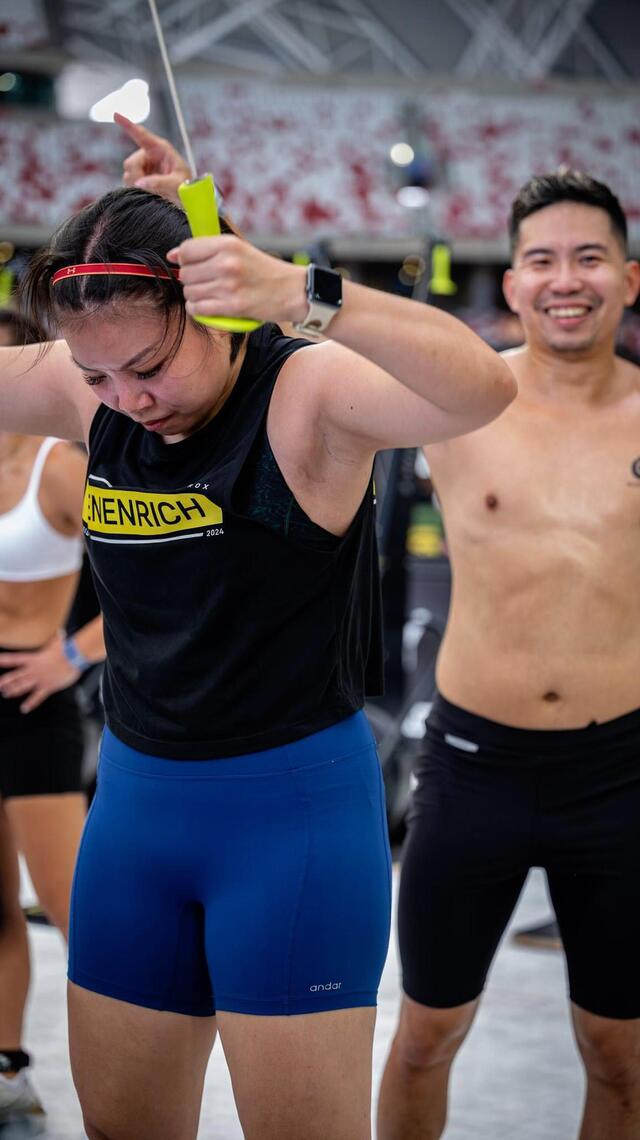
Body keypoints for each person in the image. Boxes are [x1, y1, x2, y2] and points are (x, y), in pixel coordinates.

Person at [0, 142, 515, 1138]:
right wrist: (105, 359)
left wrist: (294, 291)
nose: (126, 399)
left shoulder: (305, 395)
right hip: (135, 816)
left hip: (291, 827)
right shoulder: (90, 390)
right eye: (96, 375)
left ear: (219, 309)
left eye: (149, 367)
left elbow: (480, 390)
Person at [377, 170, 640, 1140]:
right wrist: (198, 223)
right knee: (424, 1036)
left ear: (628, 278)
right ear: (514, 281)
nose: (565, 279)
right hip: (474, 768)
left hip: (620, 774)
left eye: (588, 258)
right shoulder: (459, 399)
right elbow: (271, 350)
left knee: (617, 1052)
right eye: (542, 260)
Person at [0, 311, 105, 1127]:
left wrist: (68, 655)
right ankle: (7, 1072)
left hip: (31, 706)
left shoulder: (60, 467)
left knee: (81, 919)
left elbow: (154, 576)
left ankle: (126, 1089)